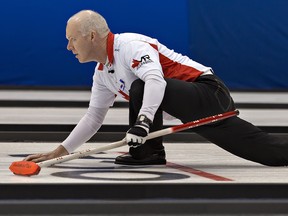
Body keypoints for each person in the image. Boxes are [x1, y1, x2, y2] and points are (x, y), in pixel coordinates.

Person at [25, 10, 288, 166]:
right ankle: (147, 152)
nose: (69, 47)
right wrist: (59, 152)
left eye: (72, 39)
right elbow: (93, 118)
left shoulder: (129, 46)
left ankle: (147, 152)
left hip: (208, 93)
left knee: (141, 85)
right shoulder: (103, 72)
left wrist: (142, 123)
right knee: (266, 151)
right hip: (190, 105)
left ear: (91, 36)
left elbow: (155, 81)